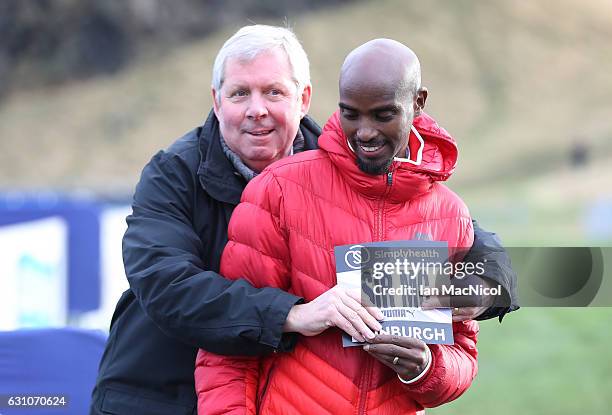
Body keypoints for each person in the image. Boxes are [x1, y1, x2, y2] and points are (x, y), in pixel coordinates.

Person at [90, 25, 517, 415]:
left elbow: (458, 232)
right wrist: (294, 314)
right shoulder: (172, 173)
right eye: (240, 93)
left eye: (273, 92)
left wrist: (492, 285)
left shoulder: (347, 163)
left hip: (266, 388)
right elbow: (166, 284)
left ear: (304, 98)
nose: (256, 109)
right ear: (217, 101)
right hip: (155, 392)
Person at [195, 38, 478, 414]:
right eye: (350, 113)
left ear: (418, 103)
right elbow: (228, 343)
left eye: (382, 115)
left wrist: (425, 368)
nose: (364, 132)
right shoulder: (279, 190)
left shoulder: (451, 215)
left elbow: (463, 357)